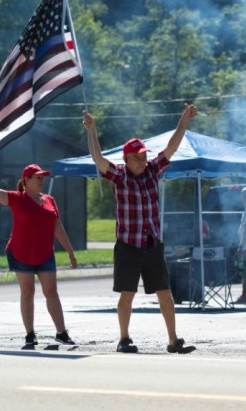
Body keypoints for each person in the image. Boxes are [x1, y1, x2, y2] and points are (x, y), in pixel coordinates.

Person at [82, 105, 197, 354]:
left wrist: (183, 121)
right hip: (128, 246)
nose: (142, 161)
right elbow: (98, 159)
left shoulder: (152, 171)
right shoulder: (119, 176)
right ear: (126, 159)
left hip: (152, 244)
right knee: (127, 294)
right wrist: (92, 131)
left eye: (143, 156)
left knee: (165, 293)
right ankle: (124, 338)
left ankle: (173, 340)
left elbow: (171, 148)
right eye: (136, 157)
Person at [0, 163, 78, 349]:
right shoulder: (16, 198)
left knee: (51, 292)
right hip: (21, 252)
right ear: (26, 181)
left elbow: (58, 227)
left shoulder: (49, 200)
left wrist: (70, 252)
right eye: (37, 177)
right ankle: (30, 335)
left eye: (43, 177)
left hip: (45, 253)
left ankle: (61, 333)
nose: (41, 180)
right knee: (28, 292)